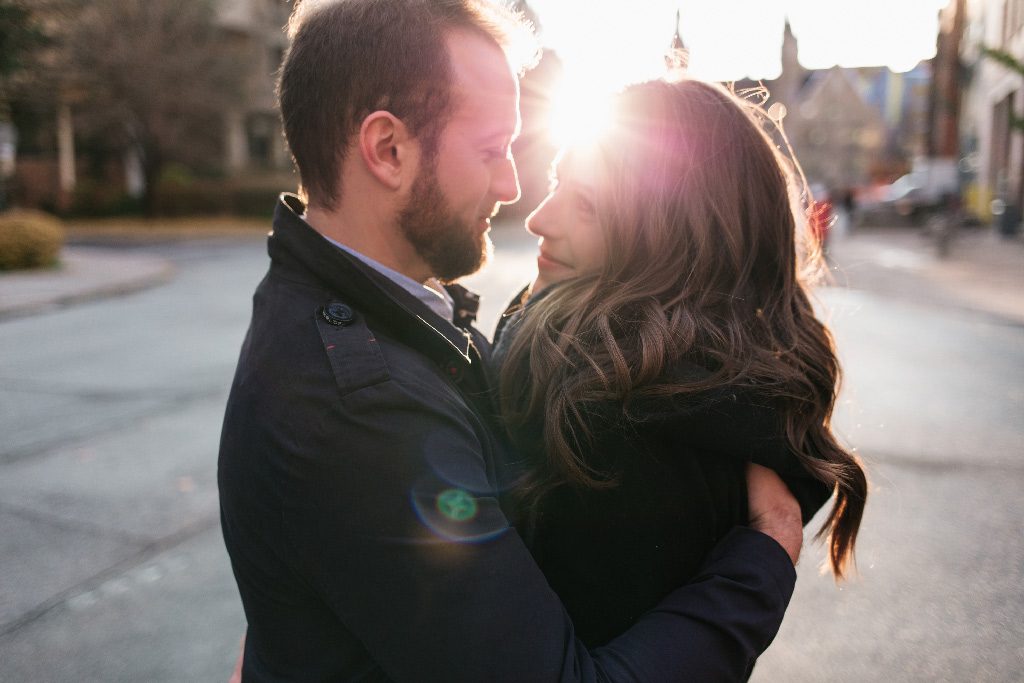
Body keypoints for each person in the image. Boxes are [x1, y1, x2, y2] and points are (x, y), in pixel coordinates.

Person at [219, 1, 805, 681]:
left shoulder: (369, 309)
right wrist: (764, 558)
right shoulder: (362, 407)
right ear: (389, 150)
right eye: (493, 150)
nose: (513, 186)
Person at [494, 78, 868, 648]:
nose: (540, 219)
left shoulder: (603, 414)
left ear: (671, 237)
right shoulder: (729, 394)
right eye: (555, 183)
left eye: (588, 204)